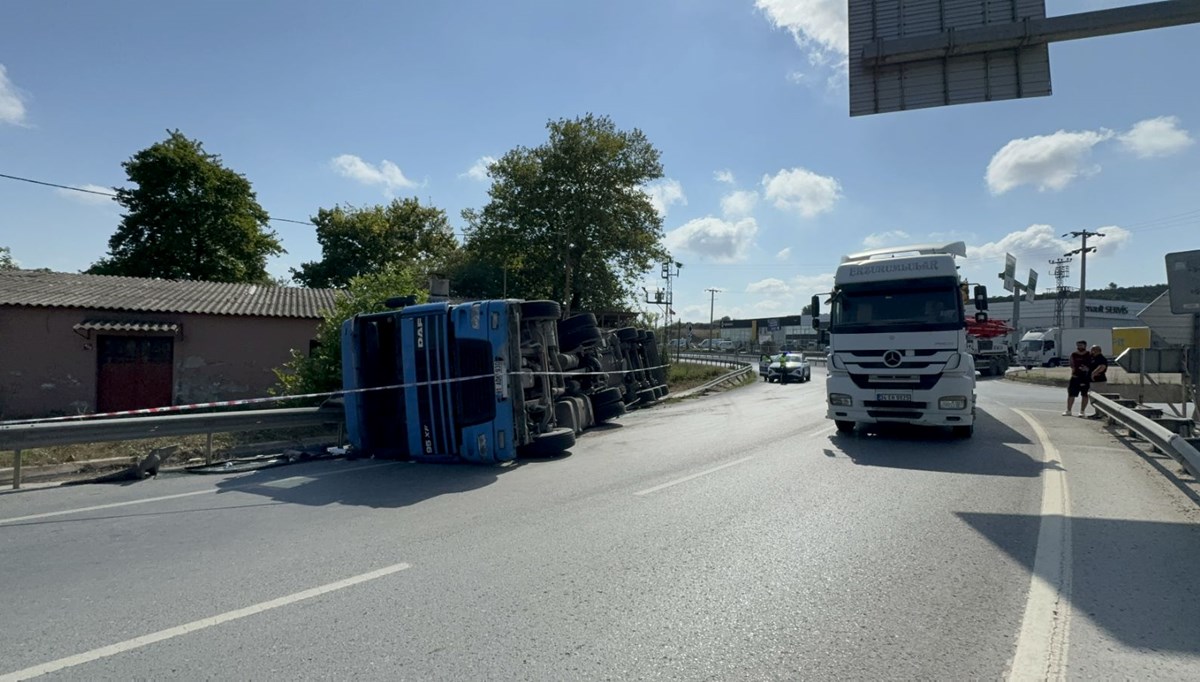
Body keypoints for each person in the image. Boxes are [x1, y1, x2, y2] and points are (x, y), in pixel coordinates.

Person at [1064, 339, 1092, 416]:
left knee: (1085, 395)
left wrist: (1087, 369)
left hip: (1085, 378)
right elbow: (1071, 364)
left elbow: (1092, 365)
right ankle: (1068, 410)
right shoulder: (1073, 354)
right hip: (1075, 377)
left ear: (1085, 346)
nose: (1079, 347)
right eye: (1078, 345)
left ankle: (1082, 411)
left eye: (1081, 345)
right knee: (1071, 394)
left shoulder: (1089, 355)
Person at [1086, 345, 1109, 418]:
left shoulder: (1101, 358)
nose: (1091, 351)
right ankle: (1097, 413)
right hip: (1092, 382)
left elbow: (1102, 367)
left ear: (1097, 350)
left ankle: (1101, 414)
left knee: (1099, 398)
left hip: (1099, 382)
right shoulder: (1093, 358)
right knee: (1093, 398)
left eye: (1092, 349)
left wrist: (1093, 374)